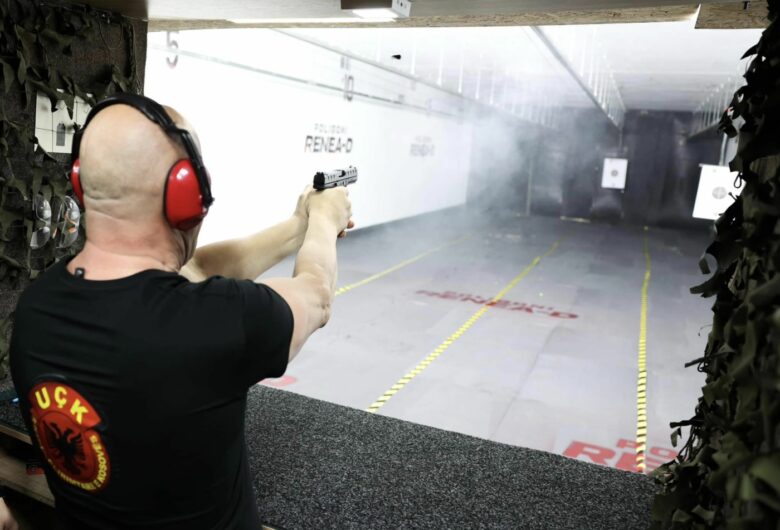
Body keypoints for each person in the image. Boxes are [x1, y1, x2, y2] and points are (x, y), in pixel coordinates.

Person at [10, 93, 353, 529]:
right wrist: (325, 219)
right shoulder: (219, 322)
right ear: (186, 193)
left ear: (81, 183)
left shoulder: (35, 309)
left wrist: (298, 225)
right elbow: (317, 294)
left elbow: (198, 267)